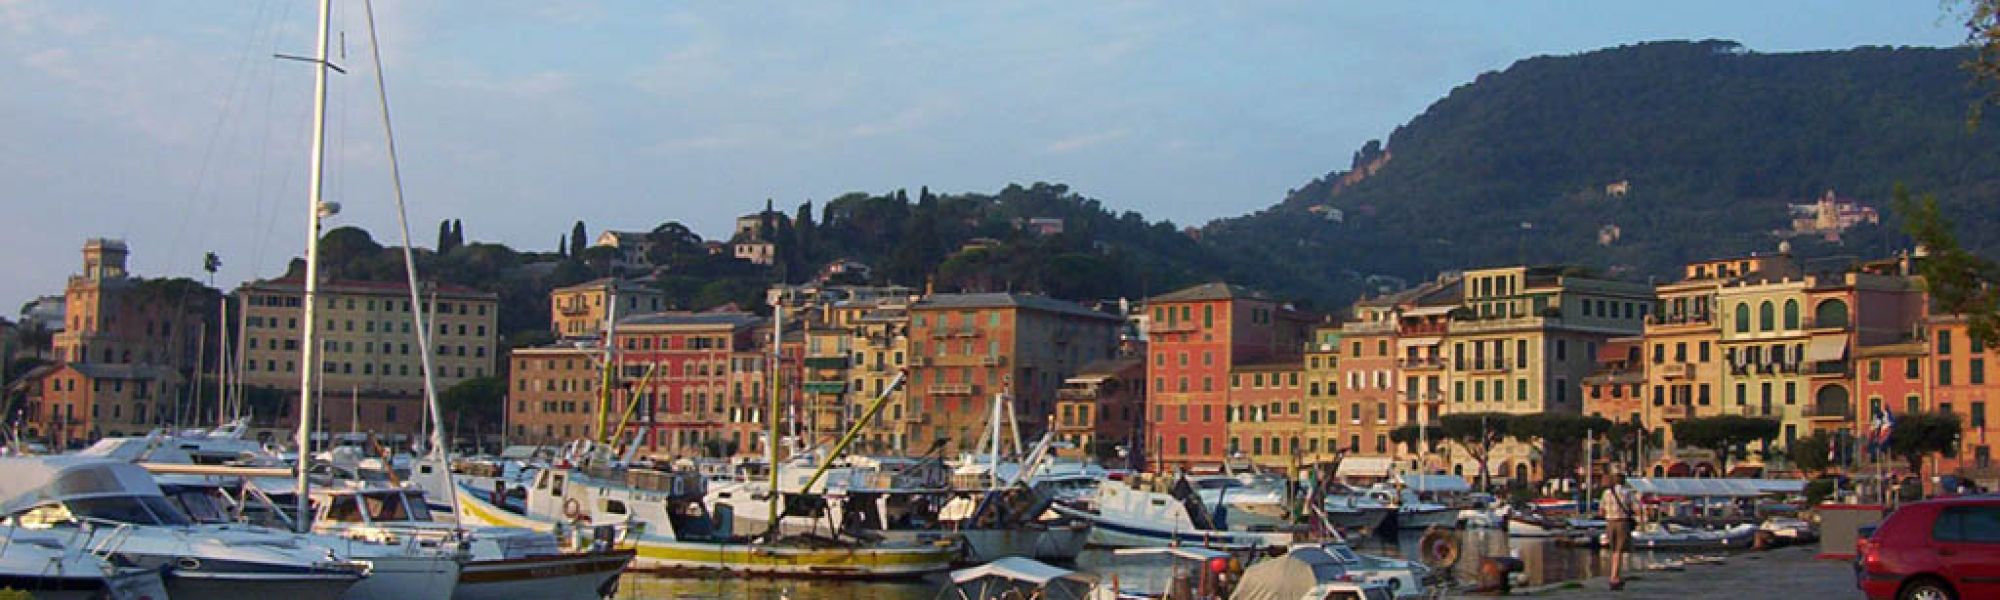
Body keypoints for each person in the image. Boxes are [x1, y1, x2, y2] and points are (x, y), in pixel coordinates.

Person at [1602, 471, 1639, 591]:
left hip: (1609, 523)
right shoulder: (1627, 492)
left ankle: (1613, 574)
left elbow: (1601, 511)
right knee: (1619, 551)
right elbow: (1636, 508)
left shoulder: (1606, 493)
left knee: (1613, 550)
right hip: (1622, 522)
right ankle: (1615, 577)